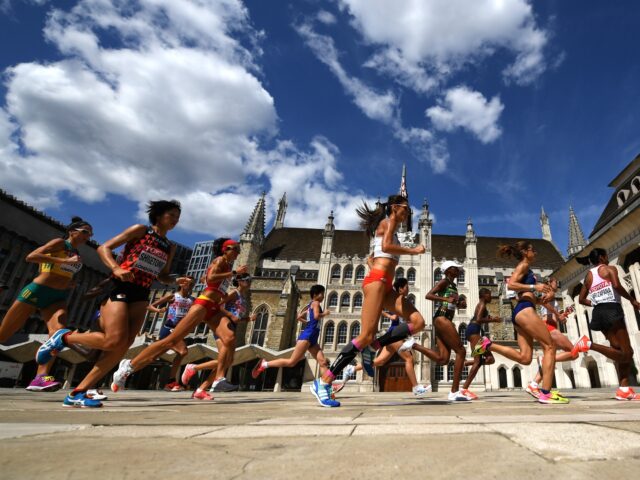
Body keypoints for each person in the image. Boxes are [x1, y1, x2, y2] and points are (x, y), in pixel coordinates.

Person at [37, 200, 183, 408]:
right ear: (159, 215)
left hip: (142, 292)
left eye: (178, 217)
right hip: (120, 286)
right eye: (172, 215)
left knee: (122, 346)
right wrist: (115, 268)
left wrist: (176, 280)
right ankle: (64, 337)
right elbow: (105, 247)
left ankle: (78, 392)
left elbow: (163, 276)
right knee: (114, 340)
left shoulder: (170, 246)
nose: (175, 219)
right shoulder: (141, 230)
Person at [310, 195, 426, 408]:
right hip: (377, 282)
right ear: (394, 208)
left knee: (418, 322)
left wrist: (375, 262)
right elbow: (388, 246)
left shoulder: (390, 227)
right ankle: (324, 381)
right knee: (364, 335)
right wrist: (414, 250)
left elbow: (374, 256)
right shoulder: (388, 222)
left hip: (386, 284)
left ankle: (375, 345)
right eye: (406, 209)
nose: (408, 213)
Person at [109, 238, 248, 401]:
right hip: (203, 304)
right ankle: (129, 366)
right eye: (235, 248)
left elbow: (208, 279)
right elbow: (211, 277)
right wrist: (233, 274)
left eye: (239, 249)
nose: (238, 252)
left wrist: (222, 285)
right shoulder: (220, 260)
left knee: (230, 339)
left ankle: (208, 385)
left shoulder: (228, 265)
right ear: (225, 250)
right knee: (171, 340)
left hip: (214, 307)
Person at [0, 217, 92, 392]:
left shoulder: (76, 253)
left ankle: (41, 378)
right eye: (85, 232)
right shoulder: (60, 243)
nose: (88, 236)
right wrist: (63, 262)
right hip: (37, 291)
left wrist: (69, 281)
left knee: (56, 336)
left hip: (58, 297)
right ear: (72, 231)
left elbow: (61, 270)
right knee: (3, 335)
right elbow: (31, 256)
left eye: (90, 234)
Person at [472, 241, 567, 404]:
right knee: (550, 346)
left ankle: (488, 344)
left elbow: (523, 294)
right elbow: (511, 284)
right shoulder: (523, 265)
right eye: (533, 250)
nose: (535, 253)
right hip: (525, 311)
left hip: (522, 309)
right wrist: (534, 286)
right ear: (525, 252)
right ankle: (546, 393)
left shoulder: (527, 269)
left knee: (525, 358)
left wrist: (541, 299)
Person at [337, 278, 431, 397]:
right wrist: (390, 316)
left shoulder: (402, 301)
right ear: (401, 288)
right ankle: (416, 387)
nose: (408, 289)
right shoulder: (396, 300)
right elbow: (379, 307)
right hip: (394, 335)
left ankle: (352, 369)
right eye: (407, 287)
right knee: (408, 358)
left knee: (380, 361)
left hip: (397, 335)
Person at [573, 248, 640, 401]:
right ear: (602, 258)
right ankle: (588, 344)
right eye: (607, 256)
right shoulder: (609, 269)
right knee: (627, 353)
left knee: (619, 350)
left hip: (598, 313)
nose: (608, 259)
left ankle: (623, 389)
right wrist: (632, 300)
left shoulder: (589, 275)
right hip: (612, 310)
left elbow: (582, 299)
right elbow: (616, 286)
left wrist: (596, 302)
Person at [403, 260, 470, 401]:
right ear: (448, 270)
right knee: (461, 351)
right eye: (455, 268)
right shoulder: (444, 282)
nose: (458, 271)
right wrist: (444, 298)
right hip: (441, 318)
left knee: (443, 359)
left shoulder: (453, 285)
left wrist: (459, 303)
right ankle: (454, 391)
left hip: (445, 318)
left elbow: (450, 302)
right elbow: (429, 295)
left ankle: (413, 345)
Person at [181, 273, 256, 396]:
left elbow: (237, 318)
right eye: (248, 280)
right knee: (225, 360)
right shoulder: (233, 293)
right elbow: (217, 305)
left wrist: (248, 319)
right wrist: (230, 315)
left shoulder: (243, 297)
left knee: (228, 361)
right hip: (222, 325)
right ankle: (195, 369)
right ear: (240, 281)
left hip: (232, 326)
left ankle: (201, 389)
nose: (250, 282)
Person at [251, 284, 331, 384]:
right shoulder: (315, 303)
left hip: (313, 337)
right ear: (315, 294)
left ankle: (328, 386)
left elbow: (299, 317)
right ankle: (265, 364)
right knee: (291, 362)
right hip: (308, 336)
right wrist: (325, 313)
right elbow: (316, 316)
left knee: (323, 362)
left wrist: (308, 322)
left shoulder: (310, 305)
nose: (323, 296)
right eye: (322, 294)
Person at [525, 277, 579, 399]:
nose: (558, 284)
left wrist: (562, 314)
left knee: (550, 360)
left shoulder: (548, 292)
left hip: (548, 325)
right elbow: (544, 304)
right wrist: (558, 314)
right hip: (549, 327)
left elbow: (546, 308)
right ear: (550, 282)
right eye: (556, 281)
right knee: (574, 352)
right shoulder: (550, 291)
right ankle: (545, 360)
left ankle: (533, 384)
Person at [146, 277, 195, 392]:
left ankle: (130, 367)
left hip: (179, 330)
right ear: (182, 284)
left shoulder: (192, 299)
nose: (190, 286)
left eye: (192, 284)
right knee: (183, 351)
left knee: (152, 357)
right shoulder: (173, 296)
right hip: (169, 329)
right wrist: (159, 311)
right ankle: (171, 382)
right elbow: (149, 306)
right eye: (188, 283)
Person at [458, 288, 501, 400]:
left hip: (476, 332)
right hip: (473, 331)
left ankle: (468, 362)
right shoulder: (481, 304)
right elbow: (478, 319)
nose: (491, 297)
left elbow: (481, 317)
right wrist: (493, 320)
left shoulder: (482, 305)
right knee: (478, 362)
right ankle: (464, 389)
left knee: (490, 359)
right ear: (484, 295)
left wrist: (491, 318)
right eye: (489, 295)